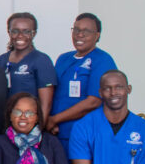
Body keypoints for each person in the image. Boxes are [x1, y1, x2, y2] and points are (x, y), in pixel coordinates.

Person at [47, 13, 117, 153]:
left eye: (86, 31)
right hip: (58, 133)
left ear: (97, 35)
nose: (80, 34)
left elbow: (93, 101)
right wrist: (49, 121)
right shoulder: (63, 58)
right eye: (76, 29)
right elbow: (52, 92)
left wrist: (54, 119)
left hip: (85, 134)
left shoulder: (102, 60)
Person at [0, 12, 57, 127]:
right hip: (5, 125)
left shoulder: (41, 60)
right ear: (9, 32)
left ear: (34, 33)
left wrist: (39, 129)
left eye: (26, 31)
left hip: (29, 125)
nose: (20, 35)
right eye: (15, 31)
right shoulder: (1, 60)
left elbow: (46, 104)